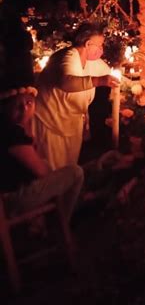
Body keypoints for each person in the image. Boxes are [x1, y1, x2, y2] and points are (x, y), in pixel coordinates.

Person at [33, 22, 119, 170]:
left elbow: (113, 76)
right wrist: (98, 81)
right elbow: (66, 82)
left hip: (71, 123)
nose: (101, 49)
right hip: (50, 121)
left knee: (69, 167)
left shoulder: (93, 63)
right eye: (99, 45)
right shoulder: (68, 56)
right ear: (87, 44)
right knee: (53, 169)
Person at [0, 81, 84, 225]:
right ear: (6, 108)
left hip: (12, 193)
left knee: (48, 166)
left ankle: (42, 223)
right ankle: (61, 223)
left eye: (29, 103)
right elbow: (41, 171)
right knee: (75, 172)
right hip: (11, 199)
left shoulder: (16, 129)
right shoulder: (11, 132)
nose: (24, 109)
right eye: (17, 106)